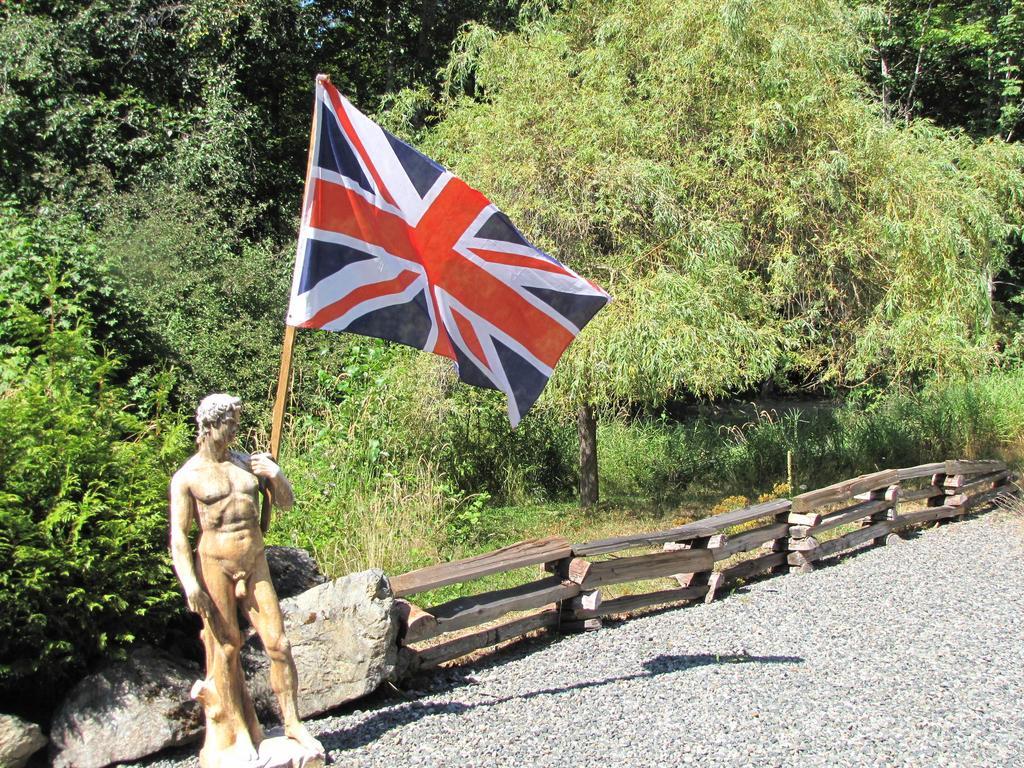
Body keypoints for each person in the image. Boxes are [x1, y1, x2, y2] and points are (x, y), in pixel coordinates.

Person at [169, 394, 324, 765]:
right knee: (225, 649)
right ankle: (238, 732)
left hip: (255, 561)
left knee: (279, 644)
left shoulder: (249, 465)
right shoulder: (187, 477)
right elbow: (178, 535)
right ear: (210, 426)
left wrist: (277, 475)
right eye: (231, 423)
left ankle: (292, 723)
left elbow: (284, 503)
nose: (237, 429)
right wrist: (190, 583)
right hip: (214, 563)